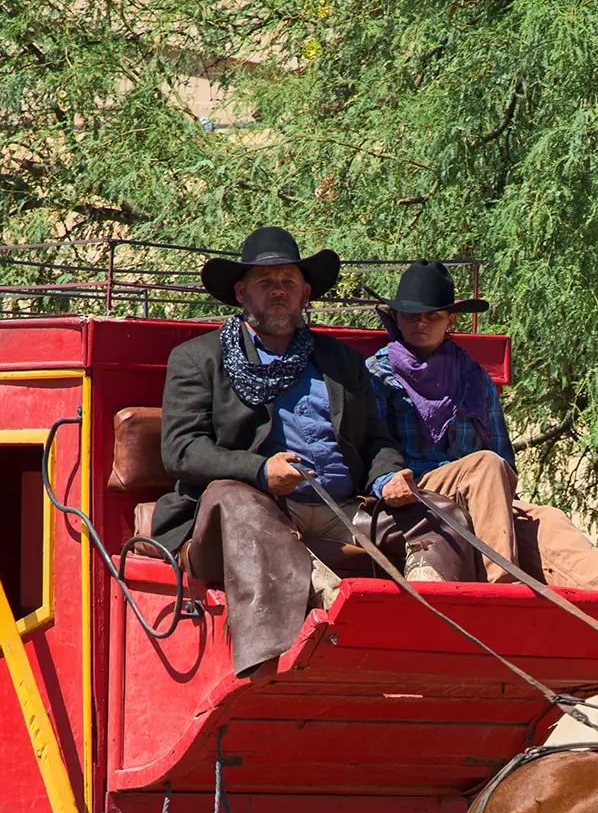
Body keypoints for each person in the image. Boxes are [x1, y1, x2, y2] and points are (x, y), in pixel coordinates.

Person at [149, 227, 473, 674]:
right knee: (233, 498)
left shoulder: (341, 361)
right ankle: (301, 636)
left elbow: (376, 440)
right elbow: (181, 449)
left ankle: (428, 628)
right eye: (265, 282)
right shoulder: (198, 358)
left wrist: (388, 477)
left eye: (288, 282)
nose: (278, 291)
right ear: (242, 293)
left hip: (343, 508)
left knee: (441, 513)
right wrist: (261, 471)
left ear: (305, 294)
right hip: (255, 510)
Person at [365, 261, 598, 592]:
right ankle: (501, 586)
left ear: (451, 320)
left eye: (432, 315)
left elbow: (504, 457)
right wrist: (387, 482)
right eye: (410, 315)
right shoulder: (378, 374)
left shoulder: (474, 378)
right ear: (396, 317)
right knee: (485, 465)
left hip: (482, 492)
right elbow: (368, 445)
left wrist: (502, 505)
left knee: (546, 519)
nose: (420, 322)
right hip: (418, 488)